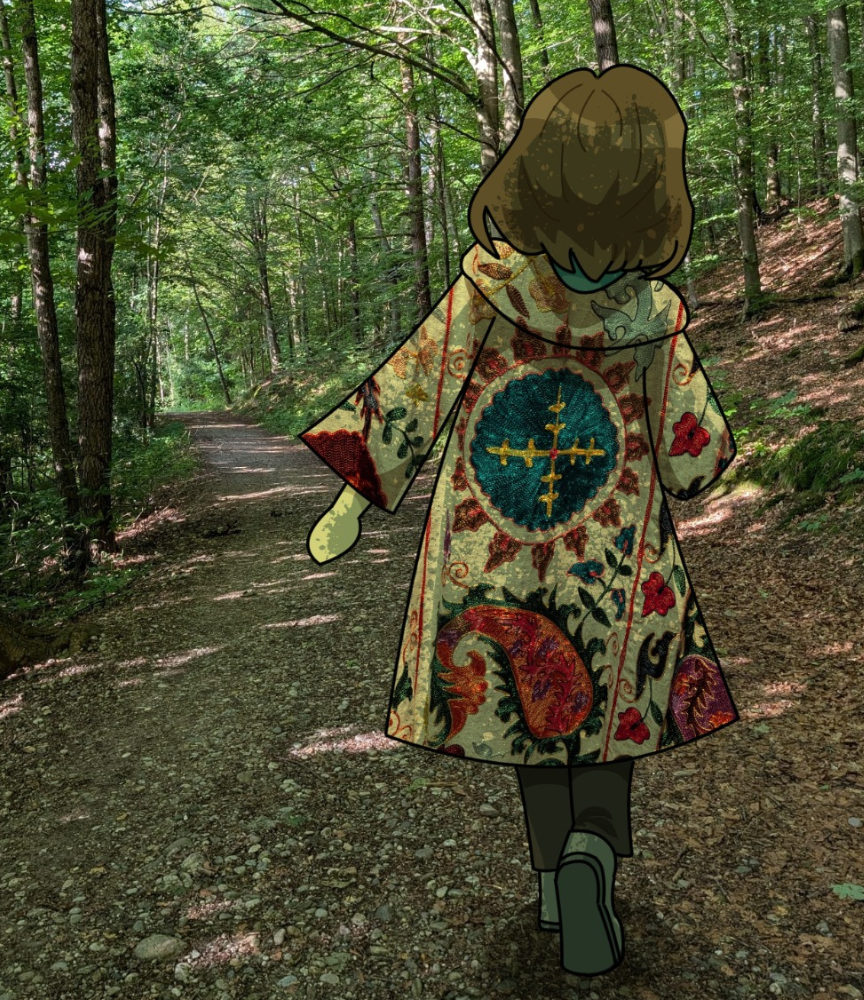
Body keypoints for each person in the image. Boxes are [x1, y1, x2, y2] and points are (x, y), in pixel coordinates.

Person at [299, 64, 739, 976]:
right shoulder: (652, 316)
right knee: (609, 715)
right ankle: (590, 855)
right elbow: (691, 452)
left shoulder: (488, 290)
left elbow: (411, 390)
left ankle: (549, 882)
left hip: (491, 556)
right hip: (615, 559)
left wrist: (352, 499)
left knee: (525, 716)